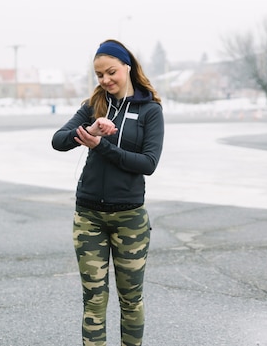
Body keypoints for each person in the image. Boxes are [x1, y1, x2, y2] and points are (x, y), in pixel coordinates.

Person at [51, 39, 164, 346]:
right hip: (89, 217)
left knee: (131, 300)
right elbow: (58, 140)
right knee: (94, 300)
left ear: (127, 67)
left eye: (110, 72)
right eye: (99, 75)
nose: (105, 80)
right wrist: (89, 133)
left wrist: (103, 146)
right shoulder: (94, 106)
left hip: (129, 219)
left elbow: (148, 163)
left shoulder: (150, 111)